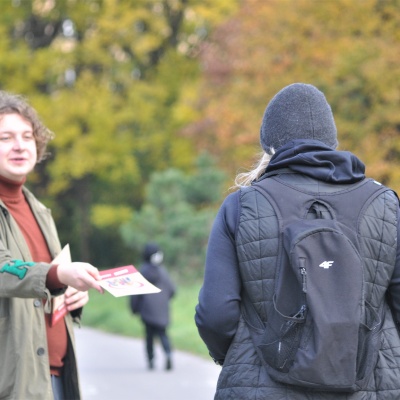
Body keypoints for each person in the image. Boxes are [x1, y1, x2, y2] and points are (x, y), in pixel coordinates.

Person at [195, 83, 400, 399]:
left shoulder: (242, 206)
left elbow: (215, 315)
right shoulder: (385, 204)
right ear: (331, 142)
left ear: (270, 147)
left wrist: (237, 355)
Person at [0, 90, 104, 400]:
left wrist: (71, 295)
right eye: (5, 137)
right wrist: (58, 276)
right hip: (13, 381)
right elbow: (4, 267)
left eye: (27, 136)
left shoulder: (39, 210)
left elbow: (47, 283)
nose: (19, 145)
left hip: (52, 376)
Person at [130, 242, 176, 371]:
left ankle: (150, 360)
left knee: (149, 336)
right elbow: (173, 290)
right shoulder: (163, 272)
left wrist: (134, 308)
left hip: (147, 311)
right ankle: (168, 354)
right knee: (163, 334)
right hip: (162, 309)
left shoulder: (142, 271)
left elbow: (135, 293)